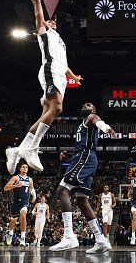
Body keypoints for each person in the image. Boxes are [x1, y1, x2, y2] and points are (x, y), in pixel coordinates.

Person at [6, 0, 82, 174]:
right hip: (49, 71)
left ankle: (17, 150)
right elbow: (37, 5)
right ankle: (31, 148)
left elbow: (64, 64)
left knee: (47, 113)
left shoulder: (60, 41)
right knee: (57, 108)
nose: (52, 21)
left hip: (59, 74)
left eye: (53, 21)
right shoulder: (44, 32)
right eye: (50, 21)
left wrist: (73, 76)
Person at [49, 102, 115, 253]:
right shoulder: (82, 124)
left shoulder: (91, 117)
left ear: (94, 110)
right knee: (82, 200)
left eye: (89, 105)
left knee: (62, 190)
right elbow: (85, 145)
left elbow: (99, 122)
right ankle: (100, 240)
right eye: (84, 104)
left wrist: (107, 129)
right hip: (83, 158)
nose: (85, 105)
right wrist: (70, 154)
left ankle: (68, 236)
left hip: (84, 159)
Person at [4, 163, 36, 246]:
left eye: (26, 167)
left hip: (24, 202)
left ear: (27, 170)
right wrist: (15, 185)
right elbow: (6, 188)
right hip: (15, 202)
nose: (25, 168)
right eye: (23, 167)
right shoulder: (15, 177)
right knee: (13, 221)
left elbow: (32, 189)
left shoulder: (30, 179)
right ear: (20, 169)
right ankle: (10, 233)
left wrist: (34, 197)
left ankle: (23, 238)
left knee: (23, 215)